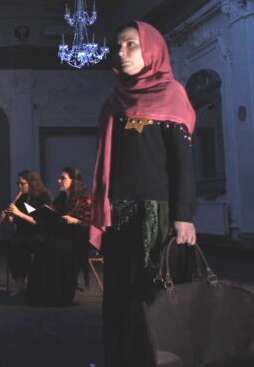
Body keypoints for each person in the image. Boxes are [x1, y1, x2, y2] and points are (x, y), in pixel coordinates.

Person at [90, 21, 197, 367]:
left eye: (131, 45)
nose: (121, 53)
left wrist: (184, 215)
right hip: (120, 216)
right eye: (118, 47)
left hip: (158, 216)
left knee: (155, 296)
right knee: (119, 296)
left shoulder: (172, 94)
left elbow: (183, 165)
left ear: (152, 49)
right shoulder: (114, 103)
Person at [1, 170, 52, 296]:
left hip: (38, 232)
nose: (20, 186)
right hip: (23, 231)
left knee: (31, 244)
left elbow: (39, 221)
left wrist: (19, 214)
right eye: (18, 183)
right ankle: (20, 283)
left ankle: (34, 283)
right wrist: (10, 217)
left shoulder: (43, 197)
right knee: (13, 243)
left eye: (22, 183)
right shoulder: (22, 197)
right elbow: (16, 220)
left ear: (32, 183)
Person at [51, 167, 92, 296]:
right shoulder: (60, 199)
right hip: (64, 236)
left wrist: (74, 221)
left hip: (79, 237)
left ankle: (64, 289)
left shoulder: (84, 198)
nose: (59, 180)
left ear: (73, 181)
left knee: (60, 247)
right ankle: (51, 288)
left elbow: (91, 224)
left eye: (63, 178)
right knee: (47, 245)